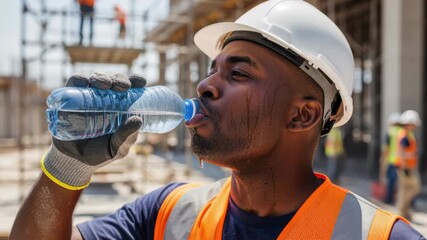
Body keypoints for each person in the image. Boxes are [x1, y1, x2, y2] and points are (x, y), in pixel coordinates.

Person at [10, 1, 424, 239]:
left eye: (238, 73)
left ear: (303, 115)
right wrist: (67, 167)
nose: (206, 85)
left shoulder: (380, 236)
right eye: (212, 70)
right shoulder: (168, 214)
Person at [396, 110, 422, 221]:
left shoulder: (408, 135)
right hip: (406, 168)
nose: (415, 126)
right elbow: (401, 152)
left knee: (406, 189)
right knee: (414, 188)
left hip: (408, 167)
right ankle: (402, 210)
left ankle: (404, 211)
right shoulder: (404, 136)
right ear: (409, 123)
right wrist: (405, 167)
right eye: (413, 124)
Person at [380, 112, 402, 204]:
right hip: (401, 161)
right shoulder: (402, 131)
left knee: (391, 181)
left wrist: (382, 160)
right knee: (400, 183)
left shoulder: (390, 132)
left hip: (392, 160)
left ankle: (389, 199)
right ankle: (398, 199)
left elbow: (386, 148)